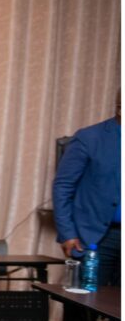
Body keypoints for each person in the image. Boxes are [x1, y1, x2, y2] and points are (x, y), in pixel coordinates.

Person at [53, 90, 121, 285]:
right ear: (120, 109)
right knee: (88, 299)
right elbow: (63, 186)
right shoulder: (89, 138)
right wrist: (67, 233)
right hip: (97, 238)